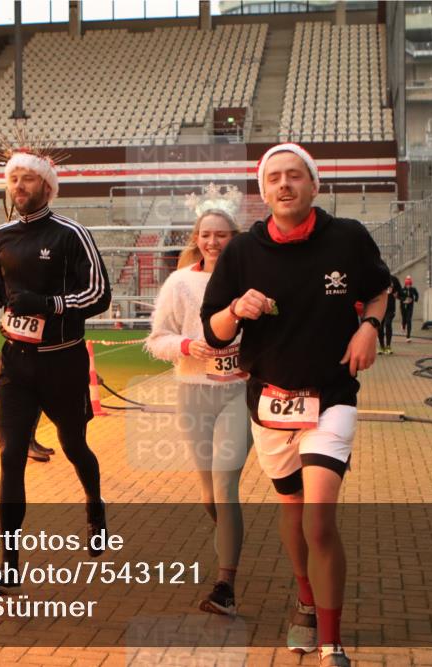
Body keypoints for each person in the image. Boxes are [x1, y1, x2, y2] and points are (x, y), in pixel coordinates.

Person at [201, 143, 390, 667]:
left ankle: (333, 642)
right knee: (292, 508)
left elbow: (381, 288)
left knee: (319, 519)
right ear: (263, 192)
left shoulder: (348, 238)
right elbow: (214, 332)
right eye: (273, 179)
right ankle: (305, 599)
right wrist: (236, 309)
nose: (283, 185)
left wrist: (370, 328)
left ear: (314, 185)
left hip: (331, 397)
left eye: (294, 176)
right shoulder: (242, 253)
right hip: (269, 402)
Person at [0, 144, 112, 593]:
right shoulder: (0, 235)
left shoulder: (71, 234)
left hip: (62, 362)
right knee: (10, 456)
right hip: (15, 363)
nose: (19, 186)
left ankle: (94, 505)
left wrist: (49, 305)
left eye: (28, 179)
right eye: (13, 179)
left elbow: (99, 295)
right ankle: (9, 563)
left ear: (46, 186)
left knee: (74, 446)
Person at [146, 198, 250, 616]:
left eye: (221, 235)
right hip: (193, 391)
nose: (213, 242)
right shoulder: (179, 284)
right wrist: (189, 345)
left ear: (234, 239)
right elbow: (156, 339)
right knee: (209, 495)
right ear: (196, 240)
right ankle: (230, 532)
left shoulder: (252, 280)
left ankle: (225, 583)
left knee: (225, 489)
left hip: (239, 393)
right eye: (206, 235)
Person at [377, 275, 403, 355]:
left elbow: (400, 293)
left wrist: (397, 295)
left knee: (388, 324)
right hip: (380, 308)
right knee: (380, 327)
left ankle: (388, 346)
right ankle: (381, 346)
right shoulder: (378, 278)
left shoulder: (394, 279)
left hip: (390, 308)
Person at [399, 276, 419, 341]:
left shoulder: (413, 289)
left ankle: (408, 336)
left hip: (410, 307)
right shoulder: (402, 290)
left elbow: (417, 295)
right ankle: (403, 326)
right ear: (405, 284)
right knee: (404, 319)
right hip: (403, 306)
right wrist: (404, 300)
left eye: (409, 285)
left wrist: (414, 299)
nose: (408, 286)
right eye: (407, 285)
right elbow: (399, 297)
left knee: (409, 320)